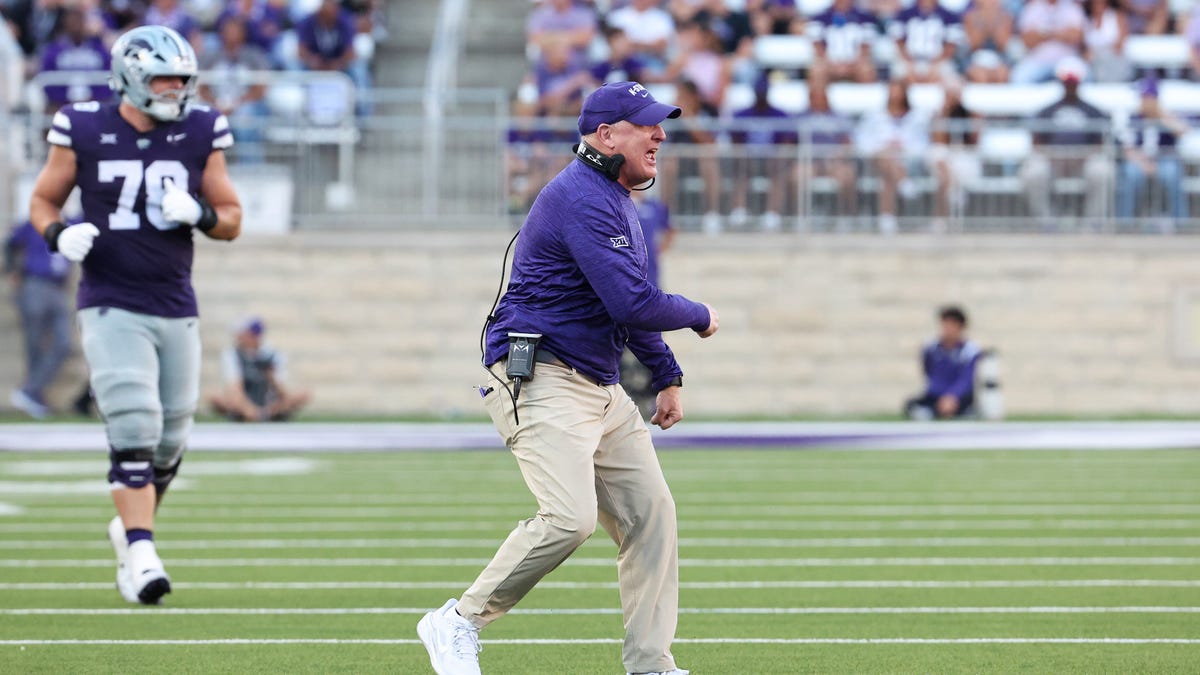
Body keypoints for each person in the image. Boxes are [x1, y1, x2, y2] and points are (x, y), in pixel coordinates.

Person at [416, 80, 718, 675]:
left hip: (597, 386)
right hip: (541, 375)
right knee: (570, 517)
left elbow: (622, 306)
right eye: (647, 125)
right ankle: (458, 620)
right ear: (606, 135)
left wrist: (667, 374)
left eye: (661, 124)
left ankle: (651, 664)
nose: (661, 135)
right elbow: (635, 303)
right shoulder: (582, 196)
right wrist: (700, 315)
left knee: (652, 516)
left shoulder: (611, 196)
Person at [27, 25, 242, 605]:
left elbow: (230, 219)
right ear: (128, 77)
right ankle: (142, 552)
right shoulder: (84, 125)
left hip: (174, 300)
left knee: (171, 439)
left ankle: (129, 528)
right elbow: (43, 198)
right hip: (109, 297)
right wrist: (57, 233)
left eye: (181, 80)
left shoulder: (200, 129)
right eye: (162, 79)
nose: (175, 90)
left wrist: (197, 210)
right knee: (133, 422)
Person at [1018, 57, 1114, 227]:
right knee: (1034, 172)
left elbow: (1100, 142)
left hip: (1084, 159)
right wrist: (1053, 156)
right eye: (1067, 82)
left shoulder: (1093, 111)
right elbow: (1036, 141)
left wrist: (1082, 156)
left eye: (1073, 82)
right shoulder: (1047, 110)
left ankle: (1091, 225)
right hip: (1052, 158)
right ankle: (1045, 223)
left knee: (1102, 171)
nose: (1070, 86)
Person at [4, 220, 72, 419]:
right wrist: (12, 270)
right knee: (34, 343)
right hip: (35, 283)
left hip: (58, 288)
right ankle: (34, 395)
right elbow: (10, 243)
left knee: (63, 343)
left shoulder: (72, 222)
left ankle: (30, 389)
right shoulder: (33, 223)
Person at [854, 79, 931, 234]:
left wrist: (903, 147)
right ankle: (904, 183)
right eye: (892, 91)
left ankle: (886, 220)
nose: (895, 95)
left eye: (898, 91)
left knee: (887, 178)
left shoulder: (917, 117)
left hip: (907, 162)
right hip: (876, 160)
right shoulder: (874, 115)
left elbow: (923, 143)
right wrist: (883, 147)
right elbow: (862, 140)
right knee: (885, 158)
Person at [208, 317, 312, 421]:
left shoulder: (272, 354)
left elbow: (283, 392)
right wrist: (249, 409)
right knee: (216, 396)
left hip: (269, 403)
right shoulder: (232, 354)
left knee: (302, 394)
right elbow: (234, 387)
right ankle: (252, 415)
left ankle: (267, 415)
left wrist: (271, 376)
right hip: (244, 400)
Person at [1117, 78, 1189, 226]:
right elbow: (1127, 148)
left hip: (1165, 159)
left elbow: (1183, 131)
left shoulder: (1166, 116)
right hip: (1139, 160)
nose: (1142, 101)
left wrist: (1160, 115)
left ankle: (1182, 223)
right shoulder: (1133, 118)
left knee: (1171, 174)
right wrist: (1144, 164)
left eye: (1145, 97)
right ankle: (1125, 223)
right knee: (1131, 175)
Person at [198, 16, 271, 161]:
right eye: (228, 31)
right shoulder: (210, 56)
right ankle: (204, 167)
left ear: (243, 33)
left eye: (235, 31)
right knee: (201, 115)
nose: (231, 34)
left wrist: (237, 103)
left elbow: (261, 88)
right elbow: (201, 86)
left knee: (247, 117)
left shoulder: (254, 55)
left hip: (244, 104)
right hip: (216, 103)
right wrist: (216, 103)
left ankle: (250, 168)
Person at [729, 73, 795, 231]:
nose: (761, 96)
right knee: (741, 167)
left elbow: (789, 141)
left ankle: (773, 212)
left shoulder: (780, 115)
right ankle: (739, 210)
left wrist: (779, 154)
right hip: (748, 160)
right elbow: (734, 140)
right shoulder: (742, 115)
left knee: (778, 168)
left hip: (772, 161)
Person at [795, 79, 858, 227]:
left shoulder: (839, 117)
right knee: (797, 176)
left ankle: (846, 217)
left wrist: (839, 154)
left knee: (847, 176)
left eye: (821, 95)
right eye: (815, 96)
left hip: (834, 161)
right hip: (809, 161)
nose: (818, 99)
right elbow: (791, 142)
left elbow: (848, 142)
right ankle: (799, 217)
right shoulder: (800, 117)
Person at [905, 305, 981, 420]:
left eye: (952, 325)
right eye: (945, 324)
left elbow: (966, 379)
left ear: (961, 327)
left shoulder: (969, 350)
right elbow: (928, 372)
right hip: (937, 395)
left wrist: (952, 396)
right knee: (912, 404)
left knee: (965, 405)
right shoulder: (932, 348)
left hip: (959, 397)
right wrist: (941, 396)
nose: (947, 329)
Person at [39, 5, 112, 112]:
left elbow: (109, 77)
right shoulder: (54, 50)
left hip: (95, 103)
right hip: (61, 105)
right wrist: (64, 99)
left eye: (79, 21)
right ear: (65, 24)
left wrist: (93, 99)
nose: (76, 25)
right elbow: (47, 79)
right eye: (72, 22)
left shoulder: (98, 50)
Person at [888, 0, 965, 86]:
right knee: (898, 78)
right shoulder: (903, 14)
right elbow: (898, 41)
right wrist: (909, 63)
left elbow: (951, 45)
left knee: (950, 81)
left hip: (939, 61)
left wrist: (936, 65)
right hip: (909, 59)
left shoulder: (950, 16)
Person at [806, 0, 878, 88]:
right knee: (817, 71)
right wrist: (830, 63)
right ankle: (817, 101)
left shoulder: (865, 17)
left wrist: (853, 63)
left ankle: (866, 100)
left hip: (855, 63)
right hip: (829, 62)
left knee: (866, 70)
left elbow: (866, 45)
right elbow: (817, 44)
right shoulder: (820, 17)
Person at [1010, 0, 1085, 84]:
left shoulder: (1070, 6)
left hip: (1066, 59)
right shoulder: (1033, 8)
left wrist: (1043, 34)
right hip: (1038, 60)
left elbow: (1076, 36)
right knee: (1019, 77)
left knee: (1083, 76)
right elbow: (1027, 40)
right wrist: (1061, 34)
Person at [962, 0, 1014, 83]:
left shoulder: (1006, 17)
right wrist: (983, 20)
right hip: (976, 56)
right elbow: (974, 44)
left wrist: (994, 21)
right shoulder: (970, 17)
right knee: (980, 76)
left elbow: (1002, 44)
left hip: (998, 56)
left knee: (1002, 75)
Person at [1082, 0, 1132, 83]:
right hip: (1093, 64)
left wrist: (1098, 52)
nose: (1097, 5)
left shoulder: (1117, 16)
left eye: (1100, 2)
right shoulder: (1088, 21)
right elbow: (1084, 48)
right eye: (1095, 3)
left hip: (1114, 60)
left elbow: (1120, 45)